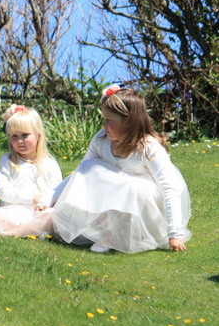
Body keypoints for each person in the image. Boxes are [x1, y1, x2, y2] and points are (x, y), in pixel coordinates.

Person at [51, 85, 191, 253]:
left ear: (129, 122)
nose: (104, 125)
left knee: (131, 185)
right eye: (104, 118)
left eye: (109, 120)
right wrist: (50, 198)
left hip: (147, 210)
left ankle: (118, 236)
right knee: (90, 167)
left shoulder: (148, 148)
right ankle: (107, 231)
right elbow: (81, 173)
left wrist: (174, 233)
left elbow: (169, 188)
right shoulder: (101, 140)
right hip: (117, 204)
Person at [0, 105, 62, 236]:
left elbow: (57, 191)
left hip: (37, 214)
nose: (20, 141)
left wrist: (44, 203)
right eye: (14, 136)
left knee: (52, 216)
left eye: (25, 135)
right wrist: (33, 198)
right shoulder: (8, 160)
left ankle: (2, 233)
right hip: (10, 214)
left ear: (38, 135)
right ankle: (29, 233)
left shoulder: (49, 163)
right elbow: (4, 192)